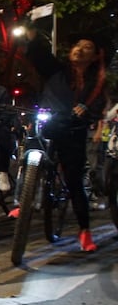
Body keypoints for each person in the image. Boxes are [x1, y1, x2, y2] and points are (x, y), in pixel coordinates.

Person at [25, 28, 111, 251]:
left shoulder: (97, 83)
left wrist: (87, 112)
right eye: (77, 45)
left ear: (95, 57)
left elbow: (98, 105)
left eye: (87, 48)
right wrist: (34, 37)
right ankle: (24, 200)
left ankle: (84, 230)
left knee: (73, 181)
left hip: (73, 132)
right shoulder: (58, 71)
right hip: (49, 124)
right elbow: (40, 57)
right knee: (30, 152)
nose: (80, 50)